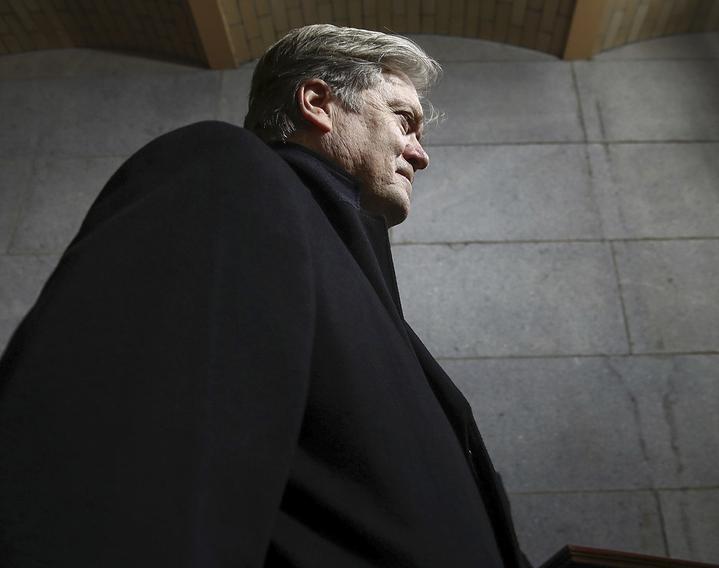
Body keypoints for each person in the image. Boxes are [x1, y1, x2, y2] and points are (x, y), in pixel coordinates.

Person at [0, 25, 529, 568]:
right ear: (318, 102)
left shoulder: (354, 273)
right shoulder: (228, 176)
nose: (420, 156)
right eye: (404, 120)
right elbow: (113, 466)